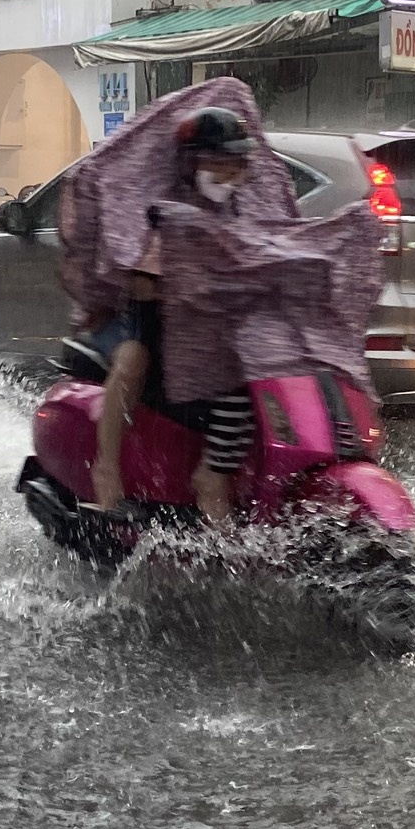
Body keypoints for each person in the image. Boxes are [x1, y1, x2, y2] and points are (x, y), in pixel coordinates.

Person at [83, 106, 258, 520]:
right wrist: (176, 282)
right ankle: (107, 473)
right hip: (158, 337)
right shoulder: (162, 211)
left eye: (234, 164)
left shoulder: (246, 213)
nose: (227, 175)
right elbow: (142, 278)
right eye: (216, 163)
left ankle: (228, 478)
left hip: (219, 343)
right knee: (131, 359)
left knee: (253, 384)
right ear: (190, 163)